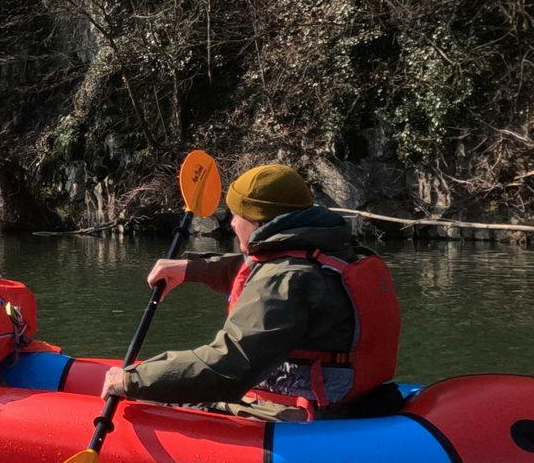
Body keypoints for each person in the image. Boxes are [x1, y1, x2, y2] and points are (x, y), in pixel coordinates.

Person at [100, 163, 401, 420]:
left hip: (306, 415)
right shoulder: (329, 249)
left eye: (236, 214)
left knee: (154, 400)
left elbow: (229, 366)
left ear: (258, 220)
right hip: (354, 397)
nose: (231, 223)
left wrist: (132, 379)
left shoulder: (286, 279)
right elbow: (256, 272)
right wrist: (190, 270)